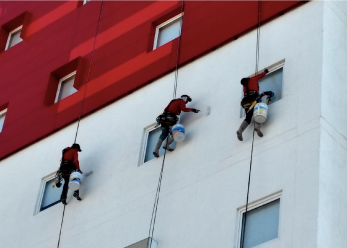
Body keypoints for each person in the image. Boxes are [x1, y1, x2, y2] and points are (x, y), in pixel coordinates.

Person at [237, 69, 273, 141]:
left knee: (248, 118)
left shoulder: (245, 86)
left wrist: (263, 94)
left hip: (246, 102)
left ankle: (240, 130)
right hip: (253, 100)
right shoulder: (253, 78)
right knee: (259, 112)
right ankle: (257, 127)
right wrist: (265, 72)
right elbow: (261, 75)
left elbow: (250, 95)